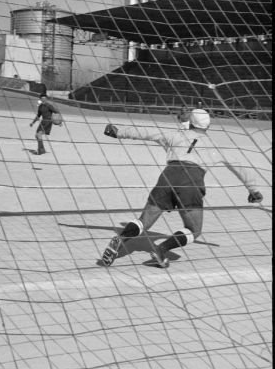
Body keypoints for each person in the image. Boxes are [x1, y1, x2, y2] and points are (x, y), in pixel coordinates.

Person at [100, 109, 264, 269]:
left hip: (168, 177)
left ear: (190, 122)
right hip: (191, 182)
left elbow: (146, 132)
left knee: (143, 222)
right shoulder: (215, 146)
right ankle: (162, 249)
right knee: (194, 230)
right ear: (208, 126)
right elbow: (238, 166)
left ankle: (121, 238)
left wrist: (118, 132)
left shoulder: (175, 135)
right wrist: (253, 190)